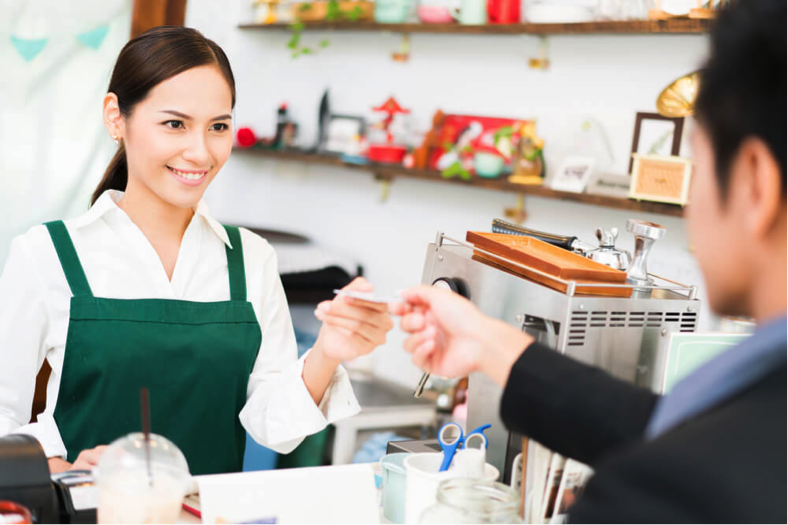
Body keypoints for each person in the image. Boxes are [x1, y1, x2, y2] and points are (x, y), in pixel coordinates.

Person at [387, 1, 787, 522]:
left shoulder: (665, 493)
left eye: (697, 164)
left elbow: (679, 455)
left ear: (755, 183)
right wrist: (486, 341)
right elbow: (663, 425)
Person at [0, 26, 393, 476]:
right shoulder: (47, 254)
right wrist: (55, 467)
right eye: (175, 124)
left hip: (212, 509)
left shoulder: (251, 259)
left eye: (218, 127)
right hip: (88, 507)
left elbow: (275, 428)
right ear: (115, 117)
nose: (201, 153)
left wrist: (328, 350)